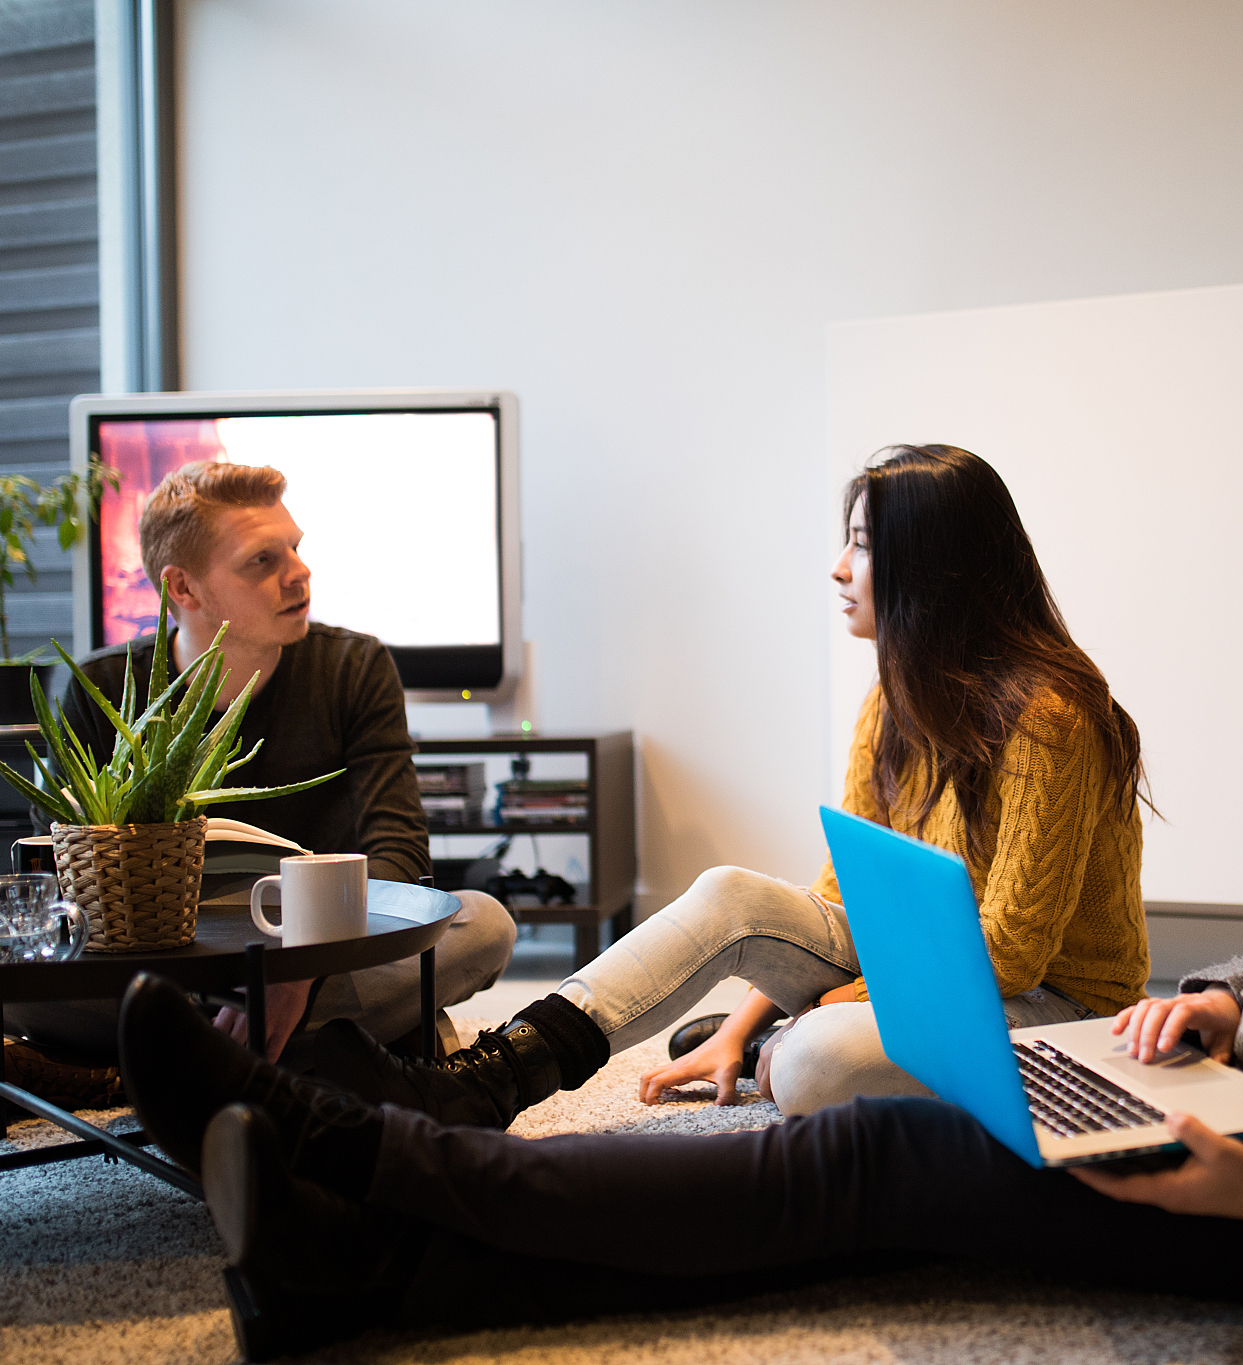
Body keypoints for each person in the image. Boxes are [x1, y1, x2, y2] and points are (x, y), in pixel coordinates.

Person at [117, 399, 1243, 1358]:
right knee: (844, 1166)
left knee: (854, 1168)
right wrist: (1228, 994)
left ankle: (366, 1151)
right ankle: (362, 1262)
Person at [302, 444, 1152, 1127]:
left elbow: (1011, 949)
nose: (838, 567)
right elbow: (837, 895)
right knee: (730, 894)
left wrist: (828, 1004)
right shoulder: (892, 700)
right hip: (918, 959)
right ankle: (492, 1075)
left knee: (812, 1064)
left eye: (861, 543)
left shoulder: (1052, 716)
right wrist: (750, 1021)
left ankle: (787, 1040)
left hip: (1053, 1002)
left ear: (932, 569)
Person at [0, 461, 516, 1078]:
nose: (299, 573)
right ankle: (332, 1051)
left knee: (484, 923)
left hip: (326, 946)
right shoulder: (100, 687)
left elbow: (400, 855)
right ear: (183, 589)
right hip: (166, 957)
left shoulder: (355, 667)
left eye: (294, 549)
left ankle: (134, 1066)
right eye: (262, 561)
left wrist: (300, 969)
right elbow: (56, 868)